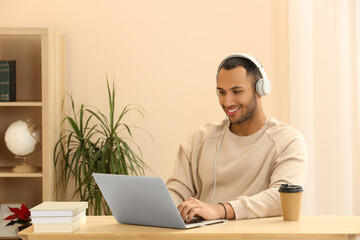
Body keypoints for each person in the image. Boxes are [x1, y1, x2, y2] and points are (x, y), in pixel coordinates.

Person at [166, 53, 307, 221]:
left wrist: (220, 210)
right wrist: (167, 209)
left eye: (237, 91)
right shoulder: (200, 139)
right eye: (222, 92)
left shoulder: (288, 141)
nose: (227, 102)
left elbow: (283, 197)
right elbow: (175, 190)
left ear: (260, 89)